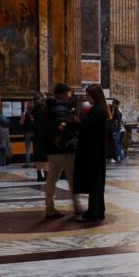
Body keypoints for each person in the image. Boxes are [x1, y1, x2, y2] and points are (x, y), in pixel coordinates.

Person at [41, 84, 82, 219]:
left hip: (51, 149)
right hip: (64, 149)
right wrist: (74, 122)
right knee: (72, 177)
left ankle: (49, 207)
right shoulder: (61, 108)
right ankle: (77, 206)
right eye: (70, 93)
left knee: (51, 178)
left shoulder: (47, 108)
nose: (70, 96)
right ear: (64, 93)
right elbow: (65, 126)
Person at [73, 84, 111, 223]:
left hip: (94, 151)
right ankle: (97, 210)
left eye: (88, 95)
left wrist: (79, 117)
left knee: (94, 182)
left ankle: (94, 212)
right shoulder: (98, 110)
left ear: (94, 95)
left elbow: (88, 128)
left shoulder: (98, 111)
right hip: (95, 150)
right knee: (96, 182)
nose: (87, 97)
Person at [31, 92, 48, 182]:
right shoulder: (45, 109)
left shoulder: (34, 109)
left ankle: (39, 175)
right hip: (44, 135)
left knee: (37, 156)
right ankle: (46, 175)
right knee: (45, 157)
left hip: (36, 135)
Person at [20, 101, 35, 168]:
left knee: (28, 148)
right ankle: (36, 163)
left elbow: (21, 122)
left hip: (27, 132)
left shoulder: (25, 112)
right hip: (34, 132)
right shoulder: (35, 113)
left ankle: (27, 164)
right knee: (35, 148)